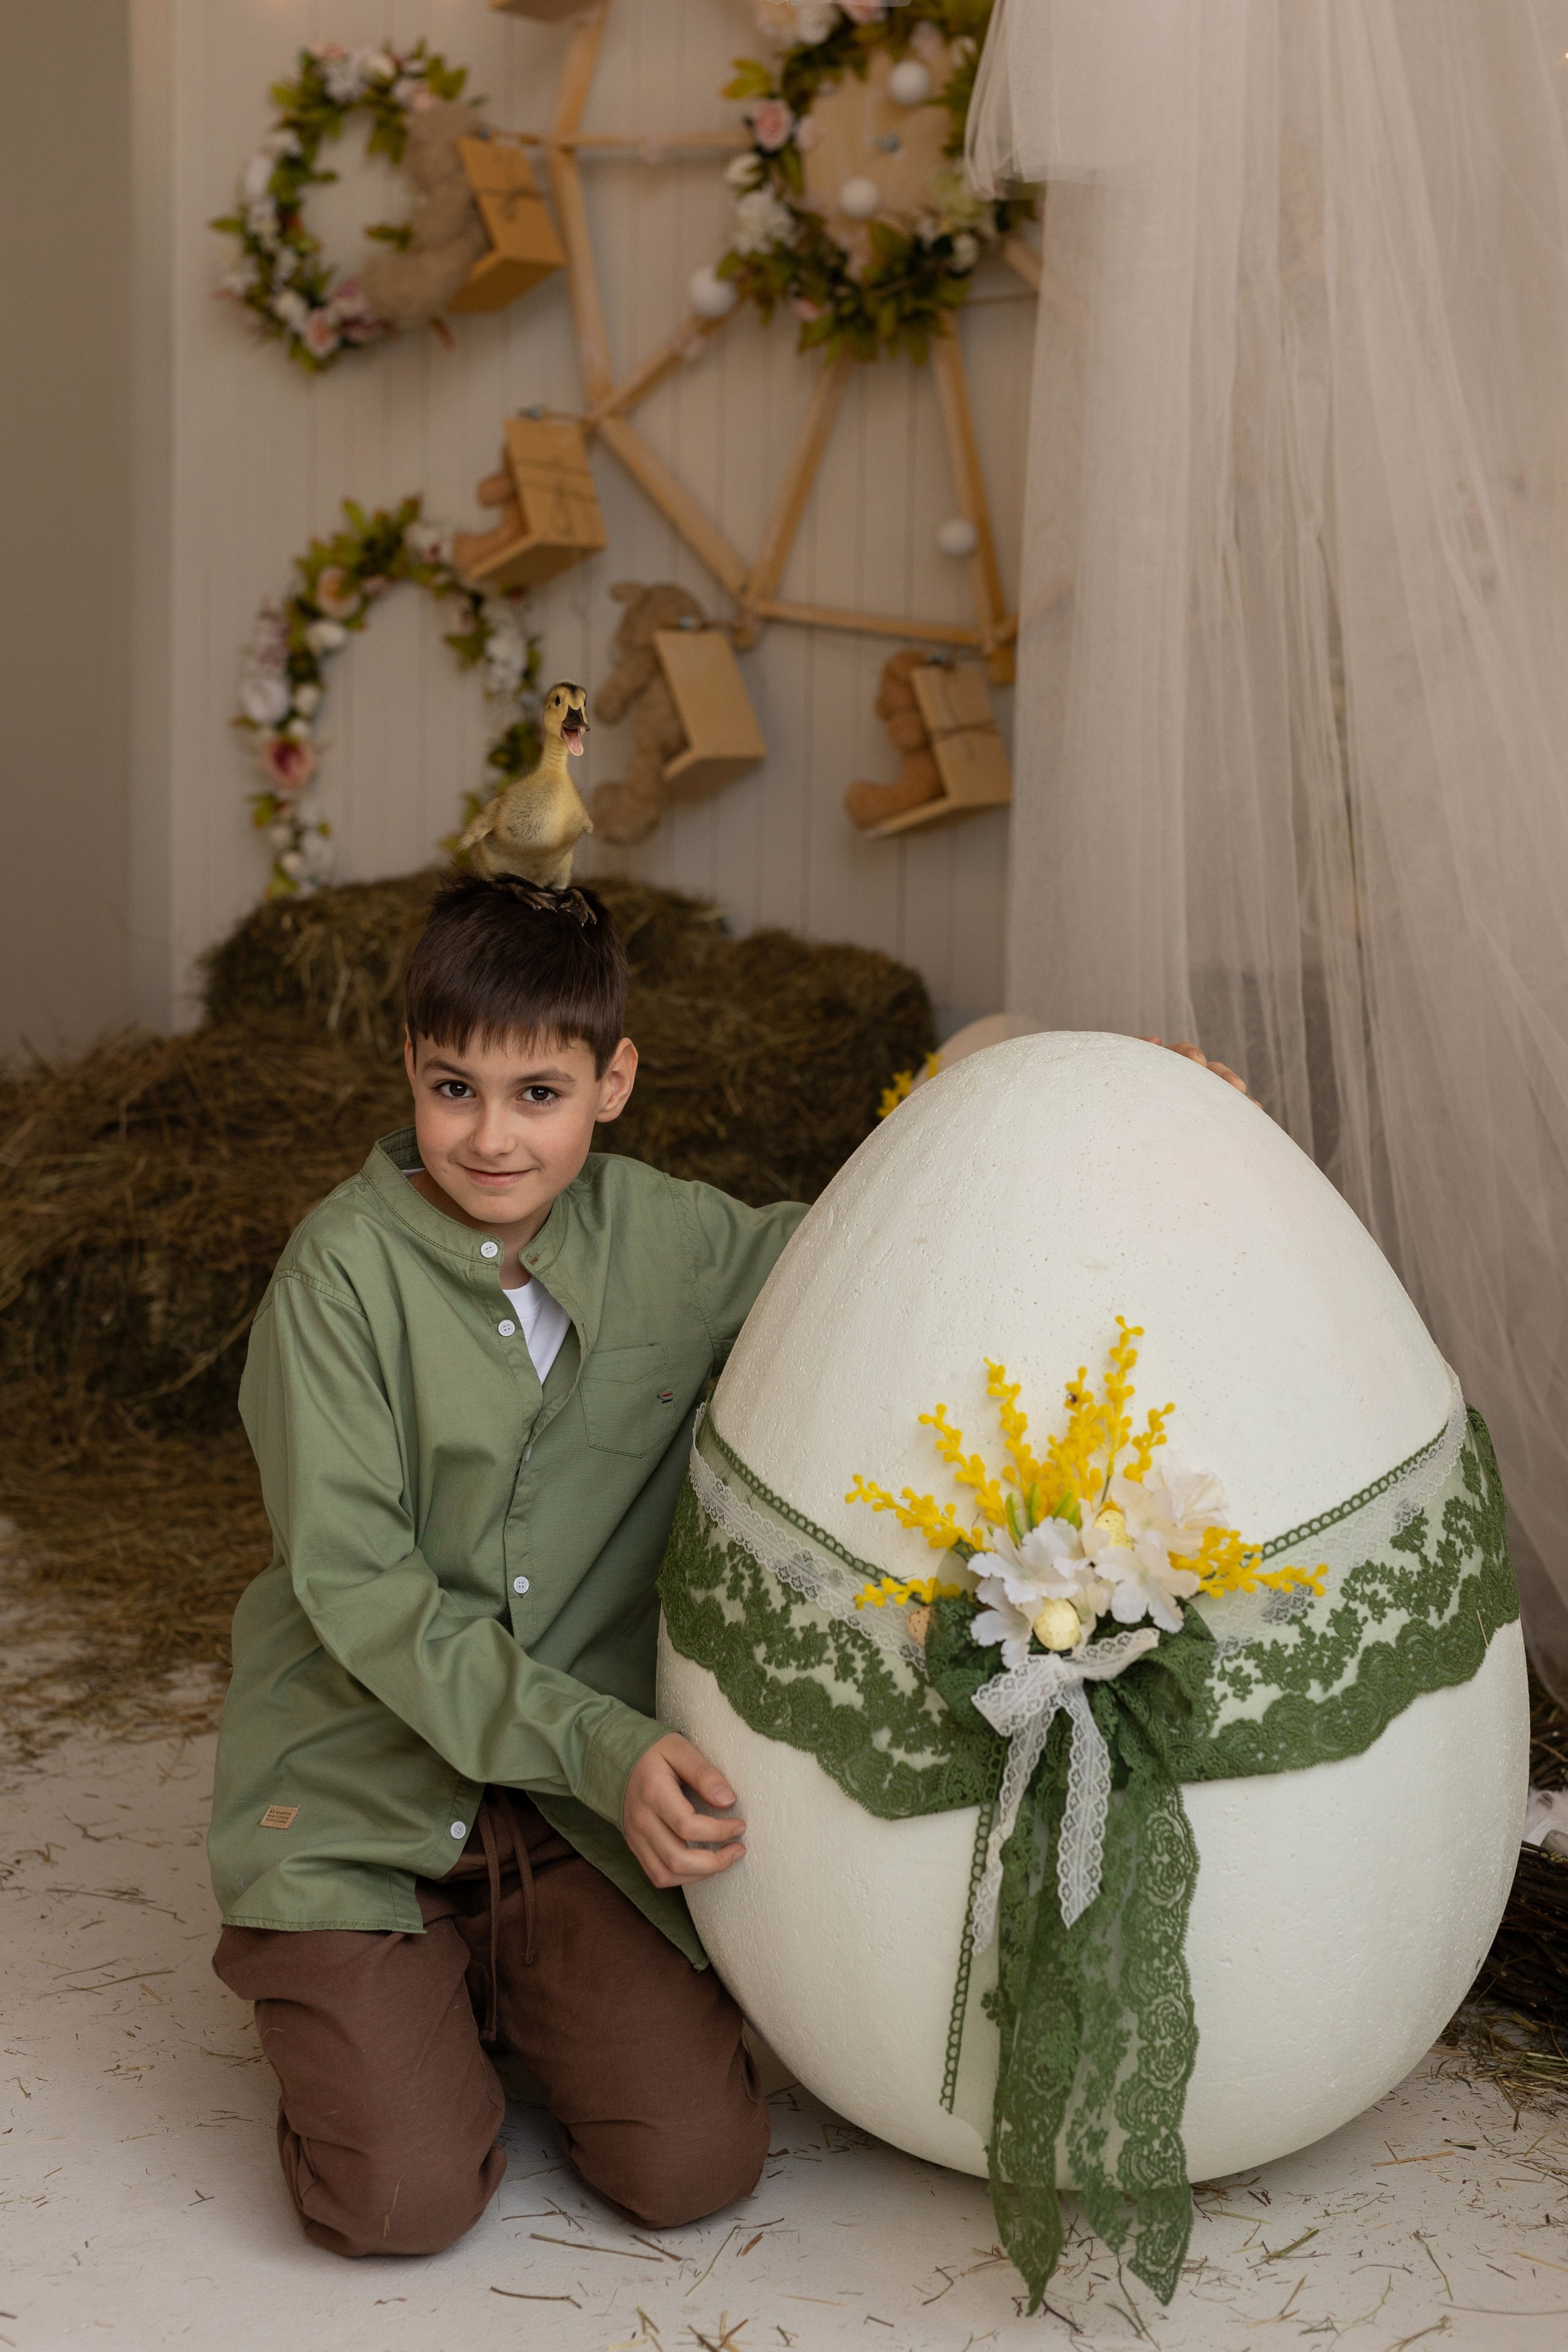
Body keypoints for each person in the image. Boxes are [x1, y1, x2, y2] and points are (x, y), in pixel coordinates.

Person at [207, 872, 804, 2258]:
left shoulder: (677, 1239)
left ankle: (483, 1990)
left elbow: (881, 1247)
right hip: (360, 1803)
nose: (489, 1135)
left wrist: (1107, 1121)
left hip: (561, 1826)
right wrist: (604, 1745)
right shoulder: (336, 1280)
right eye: (450, 1086)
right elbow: (366, 1596)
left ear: (613, 1080)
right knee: (403, 2204)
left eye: (538, 1092)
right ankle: (351, 1990)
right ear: (406, 1071)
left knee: (695, 2167)